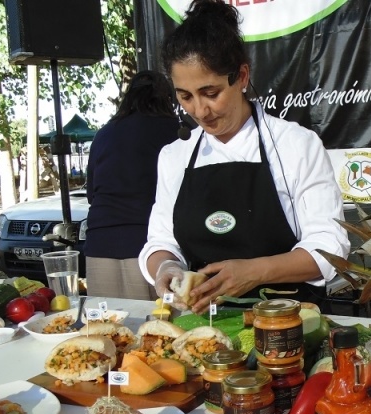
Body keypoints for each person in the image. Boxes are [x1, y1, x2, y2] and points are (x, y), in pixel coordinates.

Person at [138, 0, 350, 314]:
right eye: (185, 96)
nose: (199, 110)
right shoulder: (175, 155)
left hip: (286, 327)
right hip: (202, 331)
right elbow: (160, 241)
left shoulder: (296, 144)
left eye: (211, 93)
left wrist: (253, 273)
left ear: (241, 76)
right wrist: (166, 267)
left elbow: (330, 248)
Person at [84, 70, 180, 300]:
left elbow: (91, 193)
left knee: (107, 326)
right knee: (157, 328)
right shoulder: (175, 130)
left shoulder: (104, 133)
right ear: (168, 98)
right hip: (150, 247)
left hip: (100, 241)